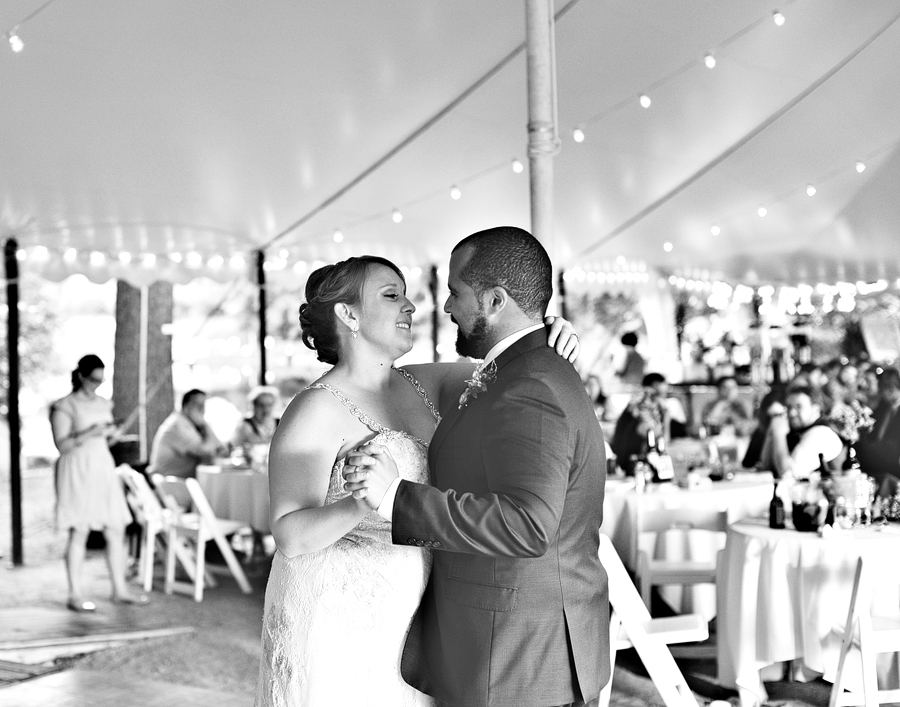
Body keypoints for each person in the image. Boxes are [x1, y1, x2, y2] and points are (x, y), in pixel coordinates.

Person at [254, 251, 581, 707]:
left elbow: (514, 358)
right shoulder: (314, 409)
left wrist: (549, 331)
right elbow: (289, 534)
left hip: (412, 609)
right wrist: (362, 503)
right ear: (348, 315)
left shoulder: (425, 384)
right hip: (337, 614)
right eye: (391, 296)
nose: (410, 306)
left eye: (407, 295)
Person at [344, 228, 608, 707]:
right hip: (503, 643)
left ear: (494, 299)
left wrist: (394, 497)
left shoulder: (531, 385)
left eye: (454, 292)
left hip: (517, 655)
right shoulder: (513, 370)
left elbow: (529, 526)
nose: (444, 307)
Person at [49, 354, 148, 612]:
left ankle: (120, 589)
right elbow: (62, 445)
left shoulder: (105, 404)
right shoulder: (65, 405)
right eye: (93, 379)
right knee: (79, 530)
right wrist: (89, 432)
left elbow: (106, 442)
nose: (96, 385)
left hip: (102, 467)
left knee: (116, 528)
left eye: (100, 380)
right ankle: (75, 594)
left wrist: (111, 434)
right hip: (77, 470)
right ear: (80, 376)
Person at [759, 385, 844, 479]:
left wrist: (779, 434)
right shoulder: (795, 431)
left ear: (816, 408)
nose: (792, 413)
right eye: (789, 407)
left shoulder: (821, 434)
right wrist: (771, 434)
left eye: (798, 407)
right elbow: (766, 467)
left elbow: (788, 475)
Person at [149, 389, 227, 479]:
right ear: (187, 407)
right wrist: (205, 425)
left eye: (203, 406)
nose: (203, 410)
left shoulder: (189, 424)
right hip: (170, 485)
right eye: (199, 406)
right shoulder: (178, 425)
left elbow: (222, 450)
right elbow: (207, 454)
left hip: (180, 482)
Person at [610, 372, 669, 475]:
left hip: (637, 463)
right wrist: (666, 419)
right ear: (655, 385)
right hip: (632, 462)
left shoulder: (651, 403)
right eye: (664, 384)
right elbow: (649, 431)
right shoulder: (641, 402)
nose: (667, 388)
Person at [856, 366, 900, 494]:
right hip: (878, 459)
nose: (880, 394)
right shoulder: (884, 406)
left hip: (892, 465)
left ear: (891, 389)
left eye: (882, 390)